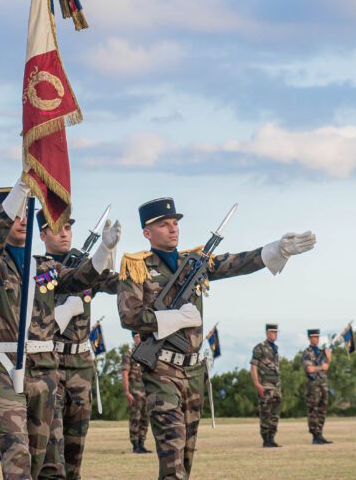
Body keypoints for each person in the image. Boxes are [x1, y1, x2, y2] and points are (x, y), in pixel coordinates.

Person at [117, 197, 315, 478]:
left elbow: (234, 263)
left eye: (175, 223)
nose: (173, 229)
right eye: (164, 225)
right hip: (161, 370)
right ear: (148, 233)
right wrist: (171, 319)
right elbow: (130, 317)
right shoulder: (136, 268)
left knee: (186, 455)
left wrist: (276, 250)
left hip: (195, 370)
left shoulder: (193, 263)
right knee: (171, 450)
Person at [0, 182, 118, 480]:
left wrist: (103, 252)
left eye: (26, 214)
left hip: (45, 371)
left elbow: (77, 279)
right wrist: (19, 195)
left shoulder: (44, 265)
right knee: (18, 458)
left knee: (45, 464)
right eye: (15, 215)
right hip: (4, 368)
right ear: (3, 217)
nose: (22, 221)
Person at [38, 209, 121, 480]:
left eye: (68, 228)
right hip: (48, 363)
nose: (64, 233)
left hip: (80, 366)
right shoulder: (37, 270)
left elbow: (117, 284)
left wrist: (109, 253)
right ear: (42, 234)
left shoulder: (87, 266)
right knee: (52, 453)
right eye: (57, 228)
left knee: (75, 452)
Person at [249, 324, 282, 448]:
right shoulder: (260, 348)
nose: (275, 334)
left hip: (276, 386)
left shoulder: (275, 348)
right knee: (266, 413)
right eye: (273, 332)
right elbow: (253, 366)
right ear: (267, 333)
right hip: (265, 386)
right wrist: (257, 383)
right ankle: (266, 439)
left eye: (276, 332)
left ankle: (272, 438)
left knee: (275, 413)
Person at [301, 329, 332, 445]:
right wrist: (320, 367)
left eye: (318, 337)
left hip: (323, 384)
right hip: (313, 386)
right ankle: (315, 436)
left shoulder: (321, 352)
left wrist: (329, 358)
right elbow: (309, 369)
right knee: (313, 411)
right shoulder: (307, 353)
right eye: (314, 337)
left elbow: (327, 367)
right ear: (309, 338)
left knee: (322, 411)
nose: (316, 339)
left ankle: (320, 434)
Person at [124, 333, 151, 454]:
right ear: (134, 338)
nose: (141, 339)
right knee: (135, 418)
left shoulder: (147, 353)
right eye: (139, 336)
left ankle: (142, 443)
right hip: (135, 392)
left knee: (146, 418)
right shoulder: (129, 353)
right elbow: (124, 373)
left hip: (147, 391)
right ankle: (135, 444)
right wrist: (127, 391)